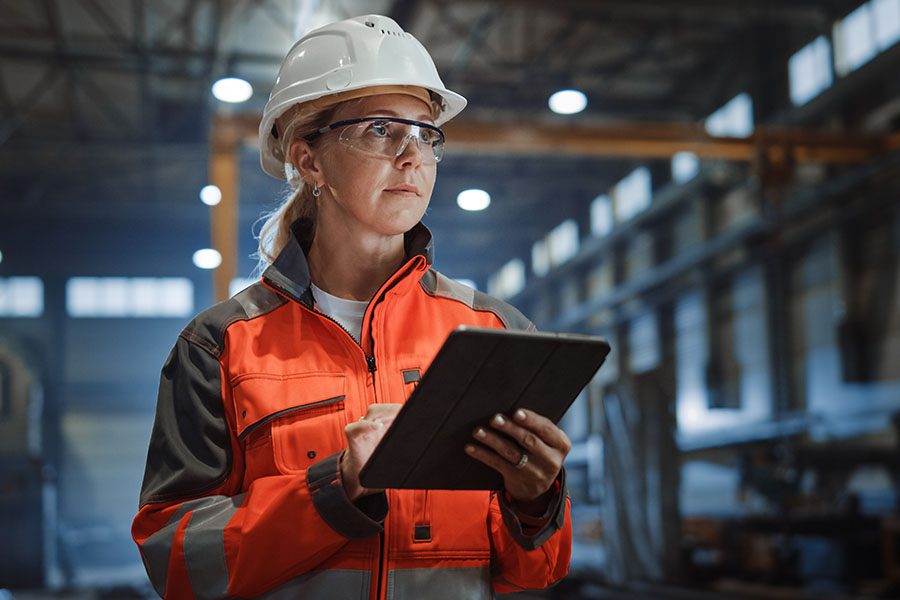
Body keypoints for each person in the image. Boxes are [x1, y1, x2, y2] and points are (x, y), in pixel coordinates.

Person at [132, 14, 572, 599]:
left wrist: (537, 501)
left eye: (425, 134)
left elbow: (535, 571)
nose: (412, 156)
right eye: (381, 130)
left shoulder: (494, 330)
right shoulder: (221, 346)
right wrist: (334, 488)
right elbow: (176, 562)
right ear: (309, 161)